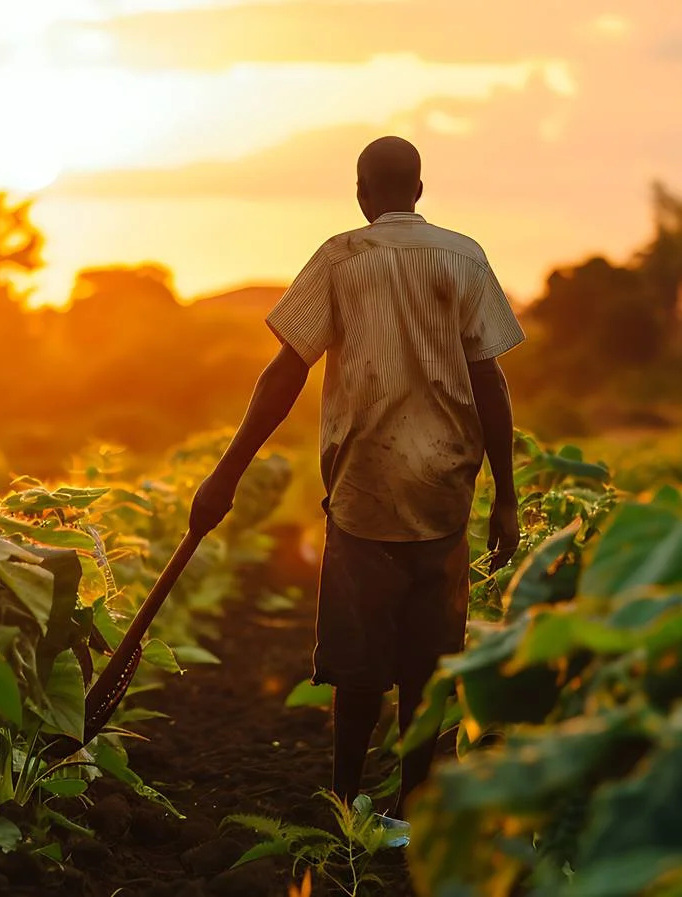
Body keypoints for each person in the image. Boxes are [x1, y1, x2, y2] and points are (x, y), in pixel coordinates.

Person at [188, 135, 524, 846]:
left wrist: (227, 470)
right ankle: (411, 811)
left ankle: (345, 807)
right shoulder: (463, 256)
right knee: (431, 661)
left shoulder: (342, 256)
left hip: (364, 486)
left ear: (363, 193)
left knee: (357, 661)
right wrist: (506, 494)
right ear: (421, 190)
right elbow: (489, 381)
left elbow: (286, 372)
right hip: (444, 487)